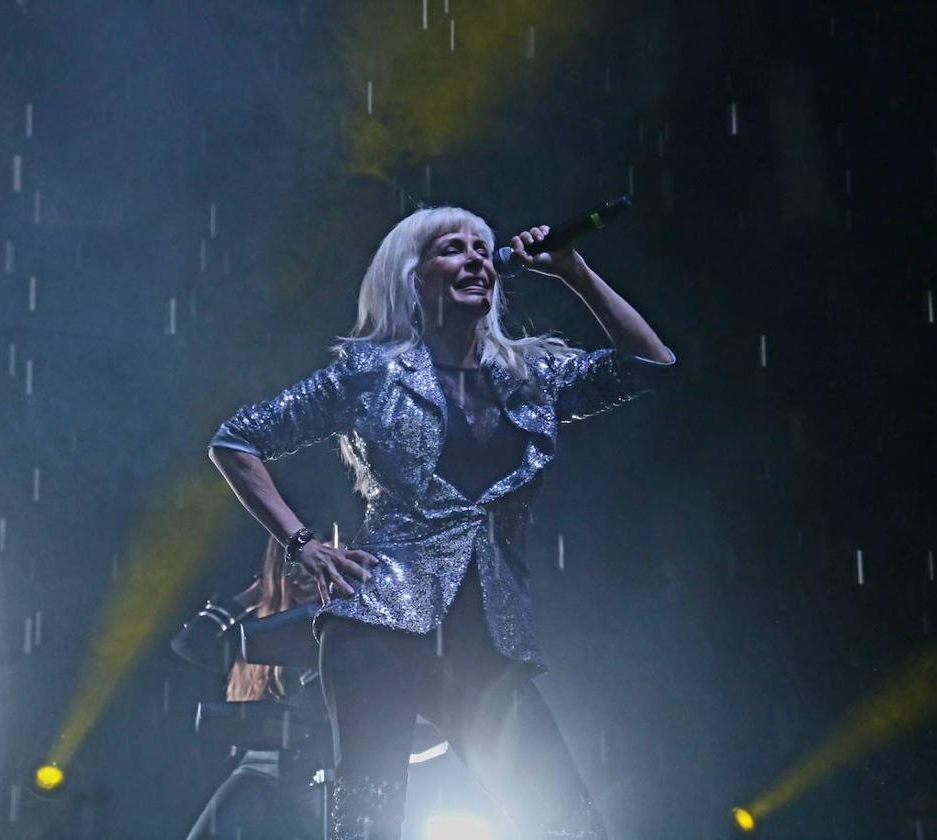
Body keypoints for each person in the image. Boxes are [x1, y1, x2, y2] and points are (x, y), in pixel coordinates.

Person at [208, 206, 676, 839]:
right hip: (380, 629)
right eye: (451, 249)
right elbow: (237, 440)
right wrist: (303, 544)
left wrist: (572, 270)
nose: (475, 259)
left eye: (483, 249)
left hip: (489, 637)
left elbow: (648, 367)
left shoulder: (529, 374)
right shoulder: (369, 373)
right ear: (413, 276)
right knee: (369, 822)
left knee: (569, 823)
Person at [174, 537, 326, 840]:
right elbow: (192, 642)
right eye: (295, 571)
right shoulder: (261, 640)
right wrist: (256, 594)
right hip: (263, 766)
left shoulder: (349, 626)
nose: (305, 580)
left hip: (326, 771)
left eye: (314, 569)